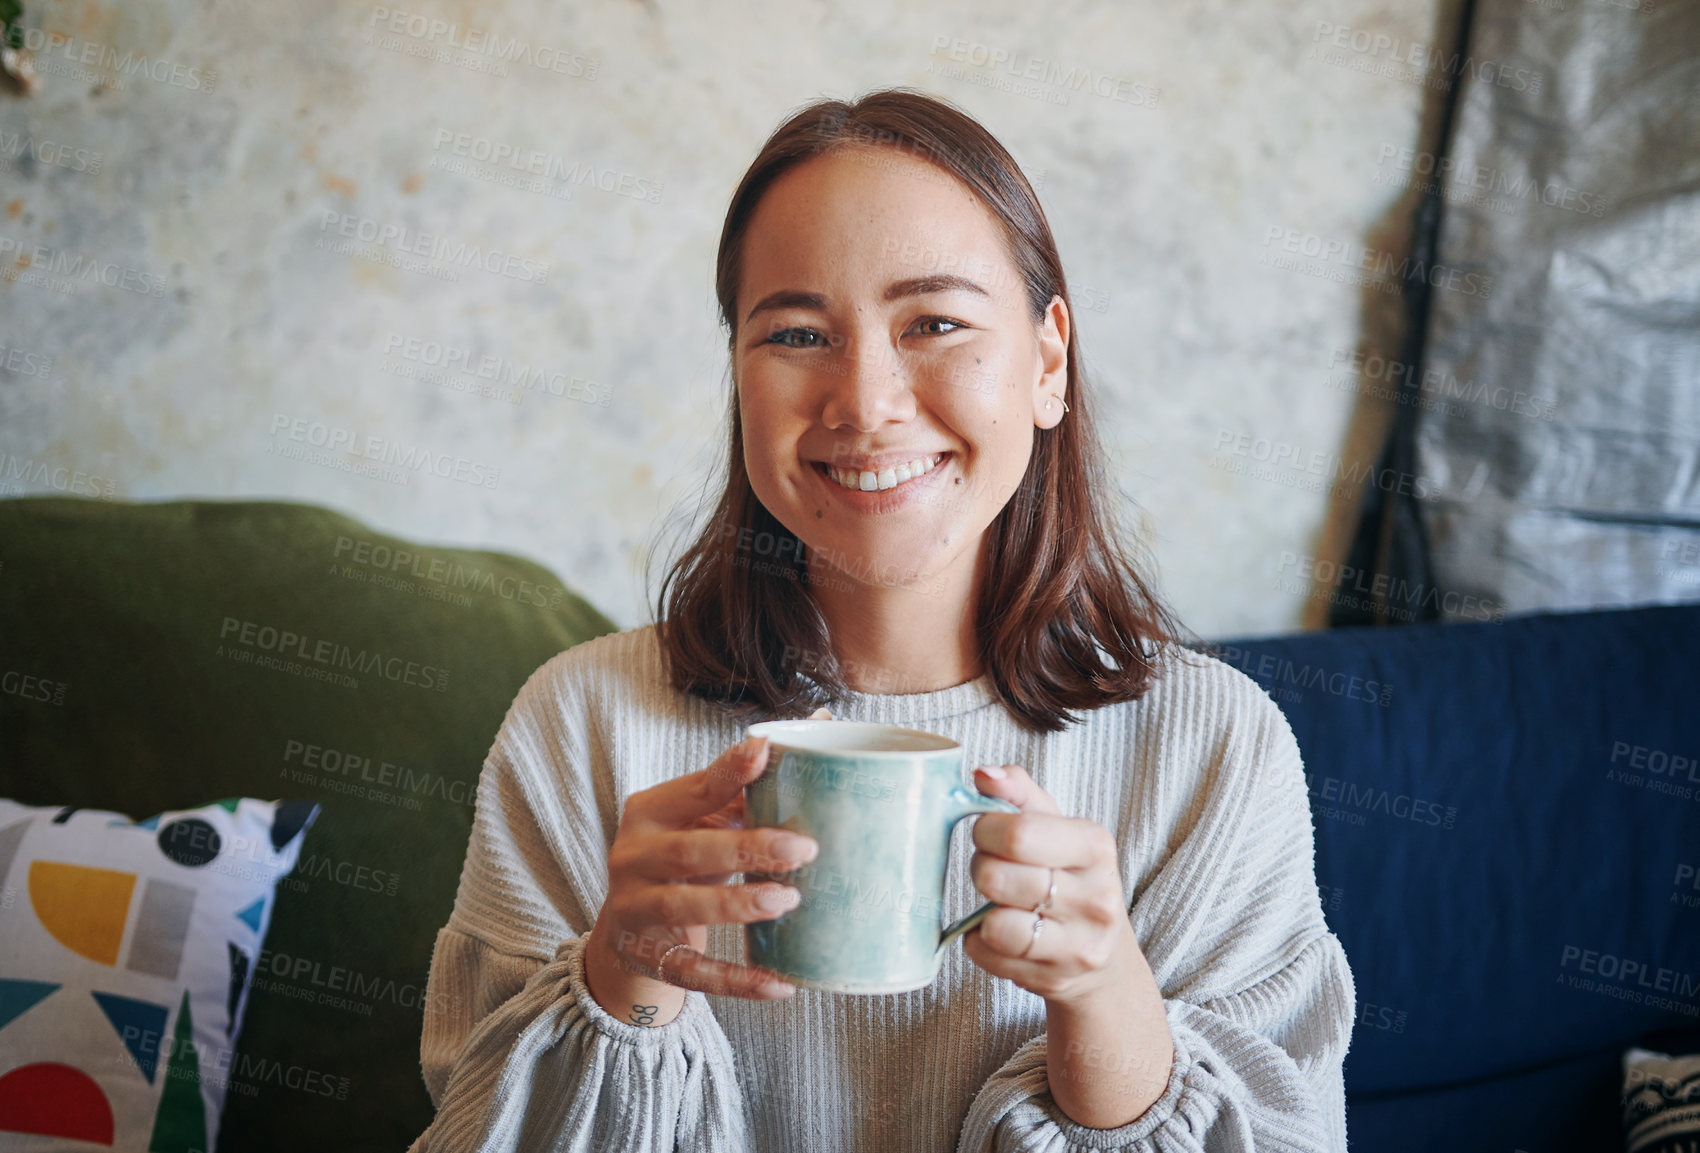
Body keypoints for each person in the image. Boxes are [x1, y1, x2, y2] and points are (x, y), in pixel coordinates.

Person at [408, 87, 1354, 1152]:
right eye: (798, 332)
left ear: (1048, 362)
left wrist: (1107, 999)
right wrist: (620, 967)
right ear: (737, 376)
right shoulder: (582, 723)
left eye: (935, 323)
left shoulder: (1213, 749)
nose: (864, 401)